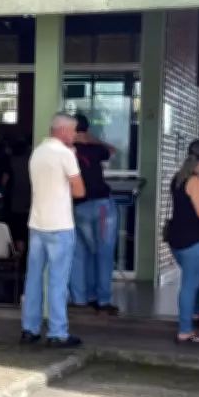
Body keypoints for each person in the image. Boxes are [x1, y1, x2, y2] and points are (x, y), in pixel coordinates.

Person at [21, 113, 85, 348]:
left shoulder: (37, 152)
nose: (75, 135)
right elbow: (79, 191)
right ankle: (57, 332)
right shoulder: (65, 154)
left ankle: (30, 329)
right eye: (73, 130)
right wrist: (73, 161)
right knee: (58, 281)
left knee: (33, 279)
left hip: (37, 224)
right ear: (63, 130)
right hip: (59, 225)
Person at [69, 113, 119, 314]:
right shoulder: (95, 149)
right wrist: (92, 139)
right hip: (101, 206)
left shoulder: (65, 151)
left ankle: (81, 299)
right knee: (103, 253)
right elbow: (112, 150)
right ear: (86, 130)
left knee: (80, 253)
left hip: (77, 207)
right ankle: (103, 300)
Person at [166, 139, 199, 344]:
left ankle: (196, 312)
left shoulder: (178, 178)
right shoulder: (196, 181)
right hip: (195, 242)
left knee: (194, 280)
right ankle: (185, 330)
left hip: (177, 241)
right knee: (190, 284)